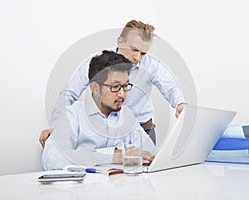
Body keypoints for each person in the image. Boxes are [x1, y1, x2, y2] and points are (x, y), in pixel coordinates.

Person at [40, 20, 187, 147]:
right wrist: (57, 127)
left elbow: (170, 86)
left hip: (142, 131)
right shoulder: (99, 62)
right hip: (106, 132)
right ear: (120, 41)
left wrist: (180, 103)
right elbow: (70, 93)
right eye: (134, 49)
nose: (137, 57)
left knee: (144, 177)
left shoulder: (151, 65)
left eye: (143, 53)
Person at [42, 51, 156, 170]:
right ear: (95, 88)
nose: (122, 94)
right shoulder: (73, 115)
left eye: (125, 86)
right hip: (85, 187)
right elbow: (52, 160)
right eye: (115, 87)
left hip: (121, 186)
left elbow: (151, 152)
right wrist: (113, 155)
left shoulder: (126, 115)